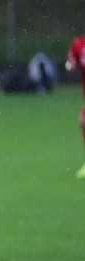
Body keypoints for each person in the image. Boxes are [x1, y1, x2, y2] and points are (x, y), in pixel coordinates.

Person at [66, 35, 85, 179]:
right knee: (83, 122)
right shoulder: (78, 44)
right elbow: (71, 65)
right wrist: (70, 65)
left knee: (83, 121)